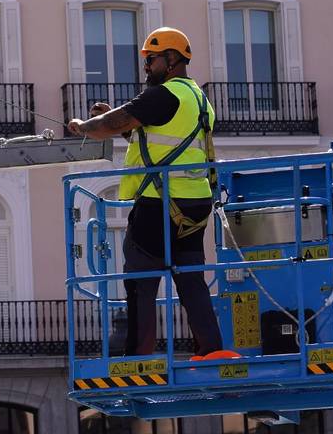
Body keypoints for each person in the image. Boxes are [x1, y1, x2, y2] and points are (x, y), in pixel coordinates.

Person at [67, 27, 230, 359]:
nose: (146, 67)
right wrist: (111, 119)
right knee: (190, 279)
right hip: (194, 205)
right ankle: (211, 350)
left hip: (159, 204)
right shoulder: (198, 99)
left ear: (171, 59)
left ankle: (138, 357)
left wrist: (85, 126)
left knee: (140, 278)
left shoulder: (164, 95)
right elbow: (155, 144)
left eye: (151, 59)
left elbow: (120, 120)